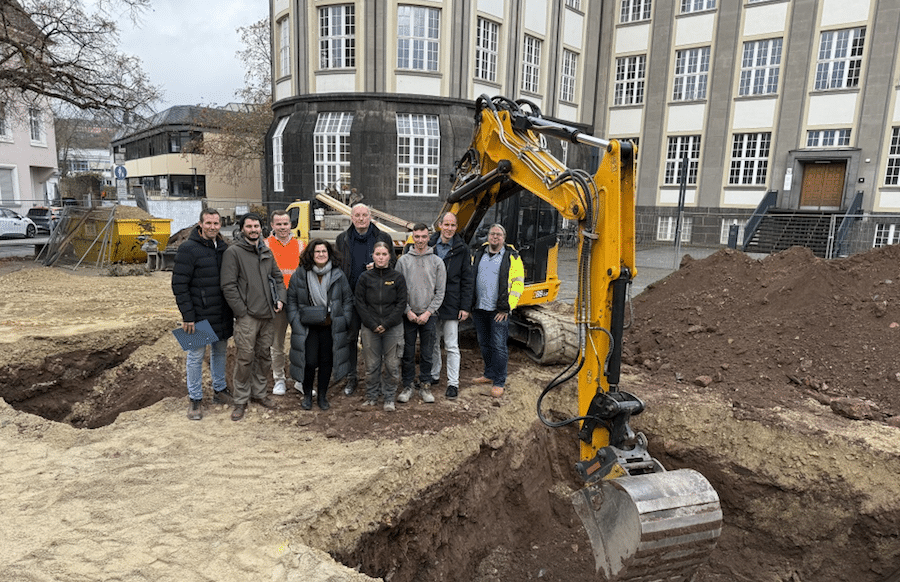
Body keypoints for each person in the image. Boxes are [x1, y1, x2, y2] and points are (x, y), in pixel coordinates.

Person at [221, 212, 286, 421]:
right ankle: (240, 400)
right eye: (249, 226)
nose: (253, 230)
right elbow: (228, 285)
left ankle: (259, 393)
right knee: (245, 357)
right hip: (247, 316)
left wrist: (280, 299)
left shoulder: (266, 250)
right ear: (242, 229)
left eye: (256, 226)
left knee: (264, 356)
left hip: (268, 314)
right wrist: (241, 311)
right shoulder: (234, 253)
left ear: (261, 228)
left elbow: (277, 277)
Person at [171, 208, 234, 420]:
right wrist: (188, 315)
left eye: (216, 223)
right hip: (198, 314)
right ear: (200, 224)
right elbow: (179, 284)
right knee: (196, 357)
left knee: (220, 352)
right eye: (208, 223)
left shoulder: (224, 247)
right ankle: (195, 399)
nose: (212, 227)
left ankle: (220, 390)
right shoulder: (188, 249)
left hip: (222, 312)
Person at [334, 203, 396, 396]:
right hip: (351, 298)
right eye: (357, 215)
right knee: (350, 338)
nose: (361, 218)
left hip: (376, 300)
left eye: (364, 215)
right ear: (351, 218)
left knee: (378, 340)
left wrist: (380, 266)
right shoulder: (342, 239)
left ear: (370, 217)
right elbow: (337, 267)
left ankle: (379, 380)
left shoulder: (382, 238)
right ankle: (351, 377)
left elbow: (393, 262)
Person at [286, 239, 354, 410]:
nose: (321, 255)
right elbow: (292, 300)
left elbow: (347, 299)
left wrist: (343, 319)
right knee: (308, 361)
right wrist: (295, 320)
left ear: (329, 254)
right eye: (317, 252)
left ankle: (322, 396)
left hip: (331, 326)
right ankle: (308, 394)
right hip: (307, 326)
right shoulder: (300, 274)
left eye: (324, 251)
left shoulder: (338, 275)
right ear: (311, 254)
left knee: (326, 362)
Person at [395, 223, 446, 404]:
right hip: (408, 316)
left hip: (429, 316)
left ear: (428, 237)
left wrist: (428, 312)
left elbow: (440, 292)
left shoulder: (437, 262)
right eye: (417, 237)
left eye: (424, 237)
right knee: (408, 353)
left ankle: (425, 385)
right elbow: (398, 290)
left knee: (427, 353)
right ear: (412, 237)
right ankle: (407, 386)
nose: (420, 240)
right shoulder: (403, 261)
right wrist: (407, 311)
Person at [471, 224, 524, 398]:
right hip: (480, 308)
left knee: (499, 346)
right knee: (484, 344)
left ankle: (499, 381)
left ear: (504, 237)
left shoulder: (512, 257)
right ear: (488, 236)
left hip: (499, 310)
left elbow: (518, 283)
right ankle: (489, 374)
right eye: (492, 234)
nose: (495, 237)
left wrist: (508, 307)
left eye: (499, 235)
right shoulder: (479, 254)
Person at [354, 241, 407, 411]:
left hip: (393, 328)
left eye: (384, 254)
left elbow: (401, 303)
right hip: (370, 328)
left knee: (392, 365)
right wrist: (373, 324)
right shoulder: (365, 278)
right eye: (378, 254)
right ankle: (371, 396)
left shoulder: (398, 278)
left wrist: (386, 323)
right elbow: (359, 303)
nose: (381, 257)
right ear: (373, 256)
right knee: (371, 365)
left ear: (390, 256)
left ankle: (389, 397)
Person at [427, 212, 474, 400]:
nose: (449, 229)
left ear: (456, 227)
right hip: (431, 303)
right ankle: (434, 374)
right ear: (440, 225)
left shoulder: (462, 249)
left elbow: (467, 280)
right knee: (432, 342)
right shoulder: (430, 245)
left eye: (452, 225)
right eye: (446, 225)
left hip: (452, 303)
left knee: (452, 345)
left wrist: (465, 306)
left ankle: (453, 382)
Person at [266, 209, 303, 396]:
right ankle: (279, 379)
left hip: (296, 302)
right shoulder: (265, 245)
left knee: (300, 342)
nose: (282, 227)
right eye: (278, 224)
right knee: (277, 344)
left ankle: (300, 379)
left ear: (291, 225)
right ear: (272, 225)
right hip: (276, 303)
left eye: (285, 223)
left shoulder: (300, 246)